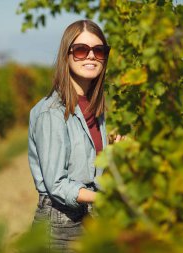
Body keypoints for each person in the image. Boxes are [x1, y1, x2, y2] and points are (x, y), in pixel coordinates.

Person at [28, 19, 117, 252]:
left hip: (86, 218)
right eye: (80, 50)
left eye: (99, 50)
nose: (91, 56)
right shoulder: (52, 112)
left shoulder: (94, 108)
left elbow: (87, 168)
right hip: (60, 225)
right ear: (66, 56)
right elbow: (57, 184)